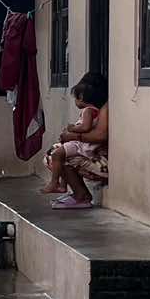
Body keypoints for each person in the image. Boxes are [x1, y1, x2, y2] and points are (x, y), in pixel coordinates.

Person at [42, 73, 109, 210]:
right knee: (56, 153)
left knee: (57, 155)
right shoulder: (95, 109)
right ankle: (74, 190)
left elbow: (98, 135)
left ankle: (78, 194)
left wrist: (72, 134)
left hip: (99, 158)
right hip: (89, 149)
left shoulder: (98, 110)